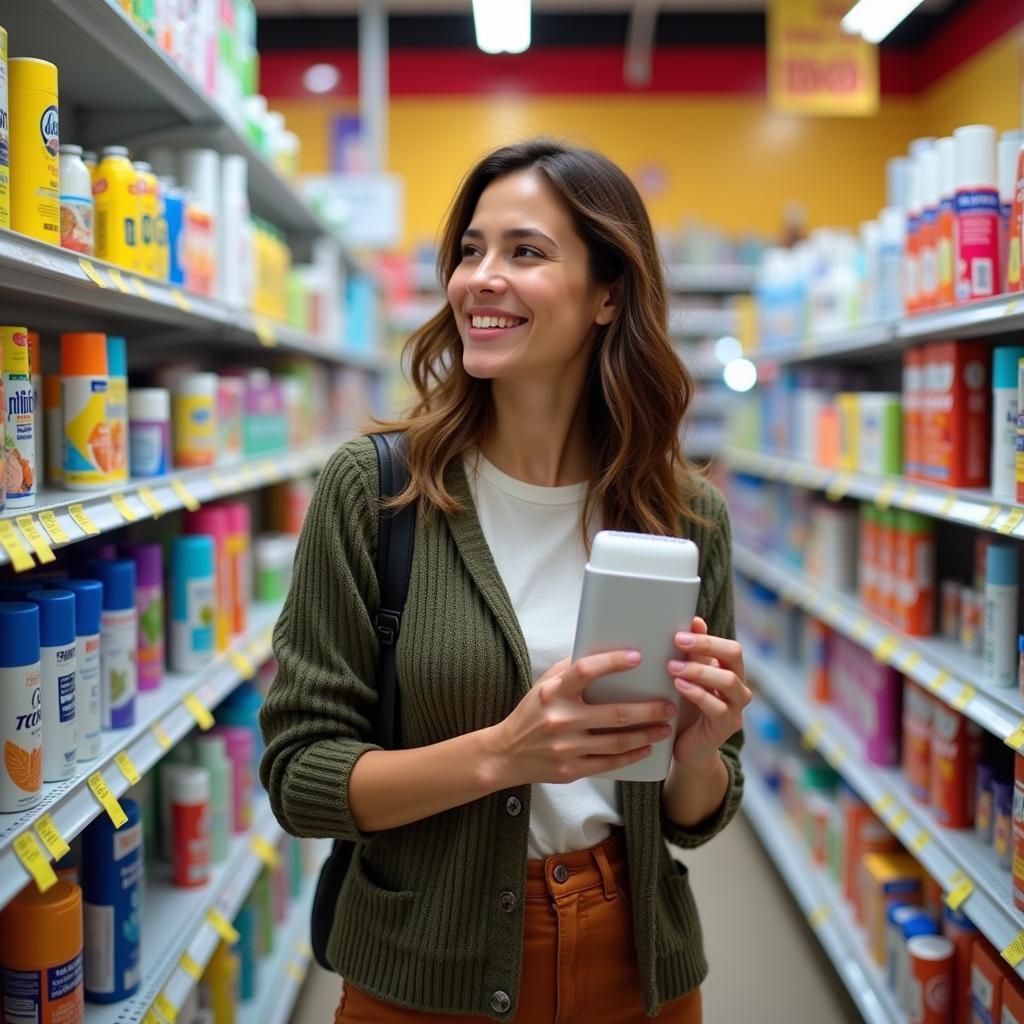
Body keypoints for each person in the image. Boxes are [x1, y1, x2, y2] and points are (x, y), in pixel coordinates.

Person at [259, 138, 750, 1024]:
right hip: (420, 972)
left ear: (609, 294)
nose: (481, 277)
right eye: (471, 250)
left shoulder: (686, 516)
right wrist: (502, 756)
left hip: (637, 963)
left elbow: (692, 817)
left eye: (525, 251)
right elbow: (299, 776)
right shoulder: (375, 491)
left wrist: (701, 748)